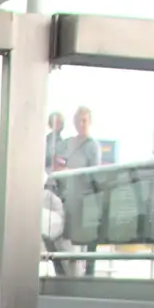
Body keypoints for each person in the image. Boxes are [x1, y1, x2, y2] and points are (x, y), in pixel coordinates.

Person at [55, 107, 101, 274]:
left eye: (84, 120)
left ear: (90, 122)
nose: (81, 124)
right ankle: (66, 271)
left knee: (85, 236)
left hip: (85, 197)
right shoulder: (68, 143)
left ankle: (88, 272)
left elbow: (95, 173)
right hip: (69, 196)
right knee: (65, 235)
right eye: (78, 120)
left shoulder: (92, 145)